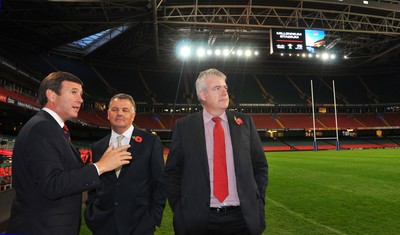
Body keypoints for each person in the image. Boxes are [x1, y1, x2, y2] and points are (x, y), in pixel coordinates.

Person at [7, 71, 132, 235]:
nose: (80, 99)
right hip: (42, 228)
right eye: (73, 92)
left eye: (80, 94)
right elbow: (52, 184)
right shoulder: (42, 128)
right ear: (52, 95)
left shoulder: (50, 127)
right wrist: (100, 167)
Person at [165, 68, 269, 235]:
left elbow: (260, 166)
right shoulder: (184, 126)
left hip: (242, 217)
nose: (224, 92)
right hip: (199, 218)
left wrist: (258, 199)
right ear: (202, 95)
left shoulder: (245, 122)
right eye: (217, 88)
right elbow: (172, 171)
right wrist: (180, 206)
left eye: (225, 87)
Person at [84, 93, 166, 235]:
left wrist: (152, 219)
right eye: (115, 110)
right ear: (108, 114)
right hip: (104, 224)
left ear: (133, 115)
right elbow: (94, 185)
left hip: (140, 224)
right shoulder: (98, 146)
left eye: (125, 110)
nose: (119, 114)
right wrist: (92, 212)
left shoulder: (150, 142)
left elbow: (159, 183)